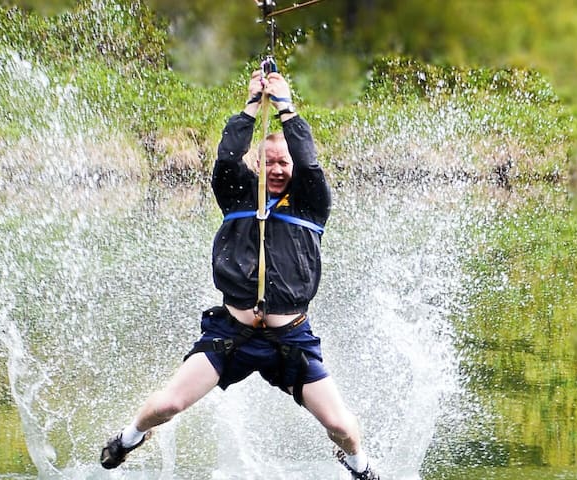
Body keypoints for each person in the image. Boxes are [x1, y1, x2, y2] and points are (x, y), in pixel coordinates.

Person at [99, 69, 380, 480]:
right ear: (256, 165)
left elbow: (307, 158)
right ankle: (128, 439)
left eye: (284, 162)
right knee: (167, 407)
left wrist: (285, 106)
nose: (279, 169)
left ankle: (358, 465)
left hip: (290, 339)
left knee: (340, 427)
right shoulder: (235, 197)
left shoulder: (311, 204)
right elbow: (228, 157)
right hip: (232, 335)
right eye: (269, 163)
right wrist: (252, 104)